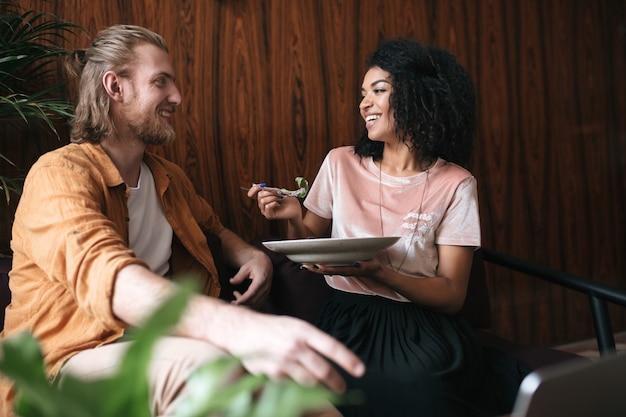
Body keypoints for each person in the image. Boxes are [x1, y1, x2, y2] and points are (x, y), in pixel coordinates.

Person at [0, 24, 364, 417]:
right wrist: (238, 328)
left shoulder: (166, 176)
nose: (177, 97)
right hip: (67, 362)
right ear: (115, 87)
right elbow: (108, 275)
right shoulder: (59, 174)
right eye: (161, 82)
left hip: (156, 345)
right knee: (208, 371)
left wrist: (249, 254)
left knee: (305, 400)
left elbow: (212, 228)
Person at [248, 38, 486, 416]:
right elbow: (309, 243)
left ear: (419, 97)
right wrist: (293, 216)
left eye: (378, 91)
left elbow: (452, 295)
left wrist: (381, 274)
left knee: (422, 394)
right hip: (345, 318)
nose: (363, 104)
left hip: (420, 327)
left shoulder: (455, 183)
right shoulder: (340, 163)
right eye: (363, 94)